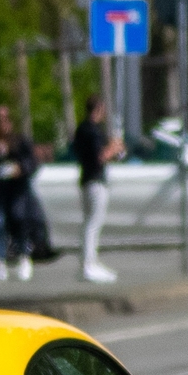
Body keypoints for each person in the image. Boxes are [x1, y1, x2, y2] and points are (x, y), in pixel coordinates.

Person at [70, 95, 125, 284]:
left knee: (90, 222)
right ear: (99, 109)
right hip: (95, 180)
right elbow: (100, 156)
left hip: (86, 179)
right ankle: (88, 263)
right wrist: (114, 147)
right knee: (93, 222)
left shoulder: (82, 129)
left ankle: (90, 261)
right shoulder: (92, 131)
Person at [0, 104, 39, 282]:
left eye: (5, 119)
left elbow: (32, 162)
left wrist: (19, 169)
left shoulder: (20, 141)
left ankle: (23, 257)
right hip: (1, 192)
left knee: (19, 223)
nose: (2, 123)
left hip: (18, 191)